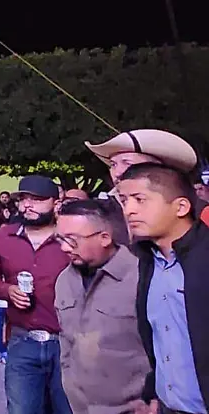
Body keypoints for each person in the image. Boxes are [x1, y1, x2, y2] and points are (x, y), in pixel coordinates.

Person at [116, 164, 208, 414]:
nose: (129, 210)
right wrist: (154, 393)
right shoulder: (148, 261)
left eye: (140, 199)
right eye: (124, 200)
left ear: (181, 207)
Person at [0, 175, 72, 414]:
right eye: (23, 199)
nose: (28, 205)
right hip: (22, 342)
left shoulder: (71, 238)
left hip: (68, 342)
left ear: (56, 203)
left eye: (37, 199)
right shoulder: (4, 236)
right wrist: (6, 290)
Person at [54, 199, 150, 414]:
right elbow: (66, 340)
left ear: (105, 237)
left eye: (72, 240)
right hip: (81, 408)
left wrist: (153, 398)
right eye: (59, 239)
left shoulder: (141, 277)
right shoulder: (64, 280)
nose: (63, 247)